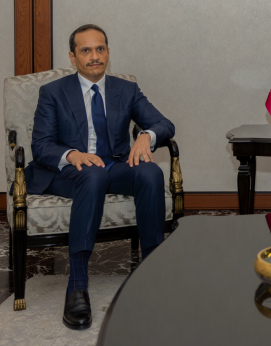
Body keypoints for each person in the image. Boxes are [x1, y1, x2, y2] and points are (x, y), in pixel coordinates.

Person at [26, 24, 174, 330]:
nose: (94, 56)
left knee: (150, 172)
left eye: (100, 49)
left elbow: (164, 123)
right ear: (73, 57)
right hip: (67, 172)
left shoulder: (126, 89)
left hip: (113, 166)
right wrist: (72, 155)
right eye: (86, 50)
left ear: (108, 52)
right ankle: (77, 285)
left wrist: (146, 136)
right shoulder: (53, 92)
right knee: (92, 174)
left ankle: (152, 273)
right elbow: (41, 146)